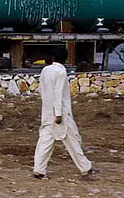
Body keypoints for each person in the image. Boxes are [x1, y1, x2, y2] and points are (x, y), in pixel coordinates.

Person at [33, 46, 97, 179]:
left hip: (47, 110)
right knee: (72, 139)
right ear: (65, 58)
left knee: (45, 140)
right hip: (60, 113)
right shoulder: (61, 72)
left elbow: (41, 89)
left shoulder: (45, 70)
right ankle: (85, 167)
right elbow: (58, 93)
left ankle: (39, 169)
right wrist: (58, 114)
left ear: (52, 57)